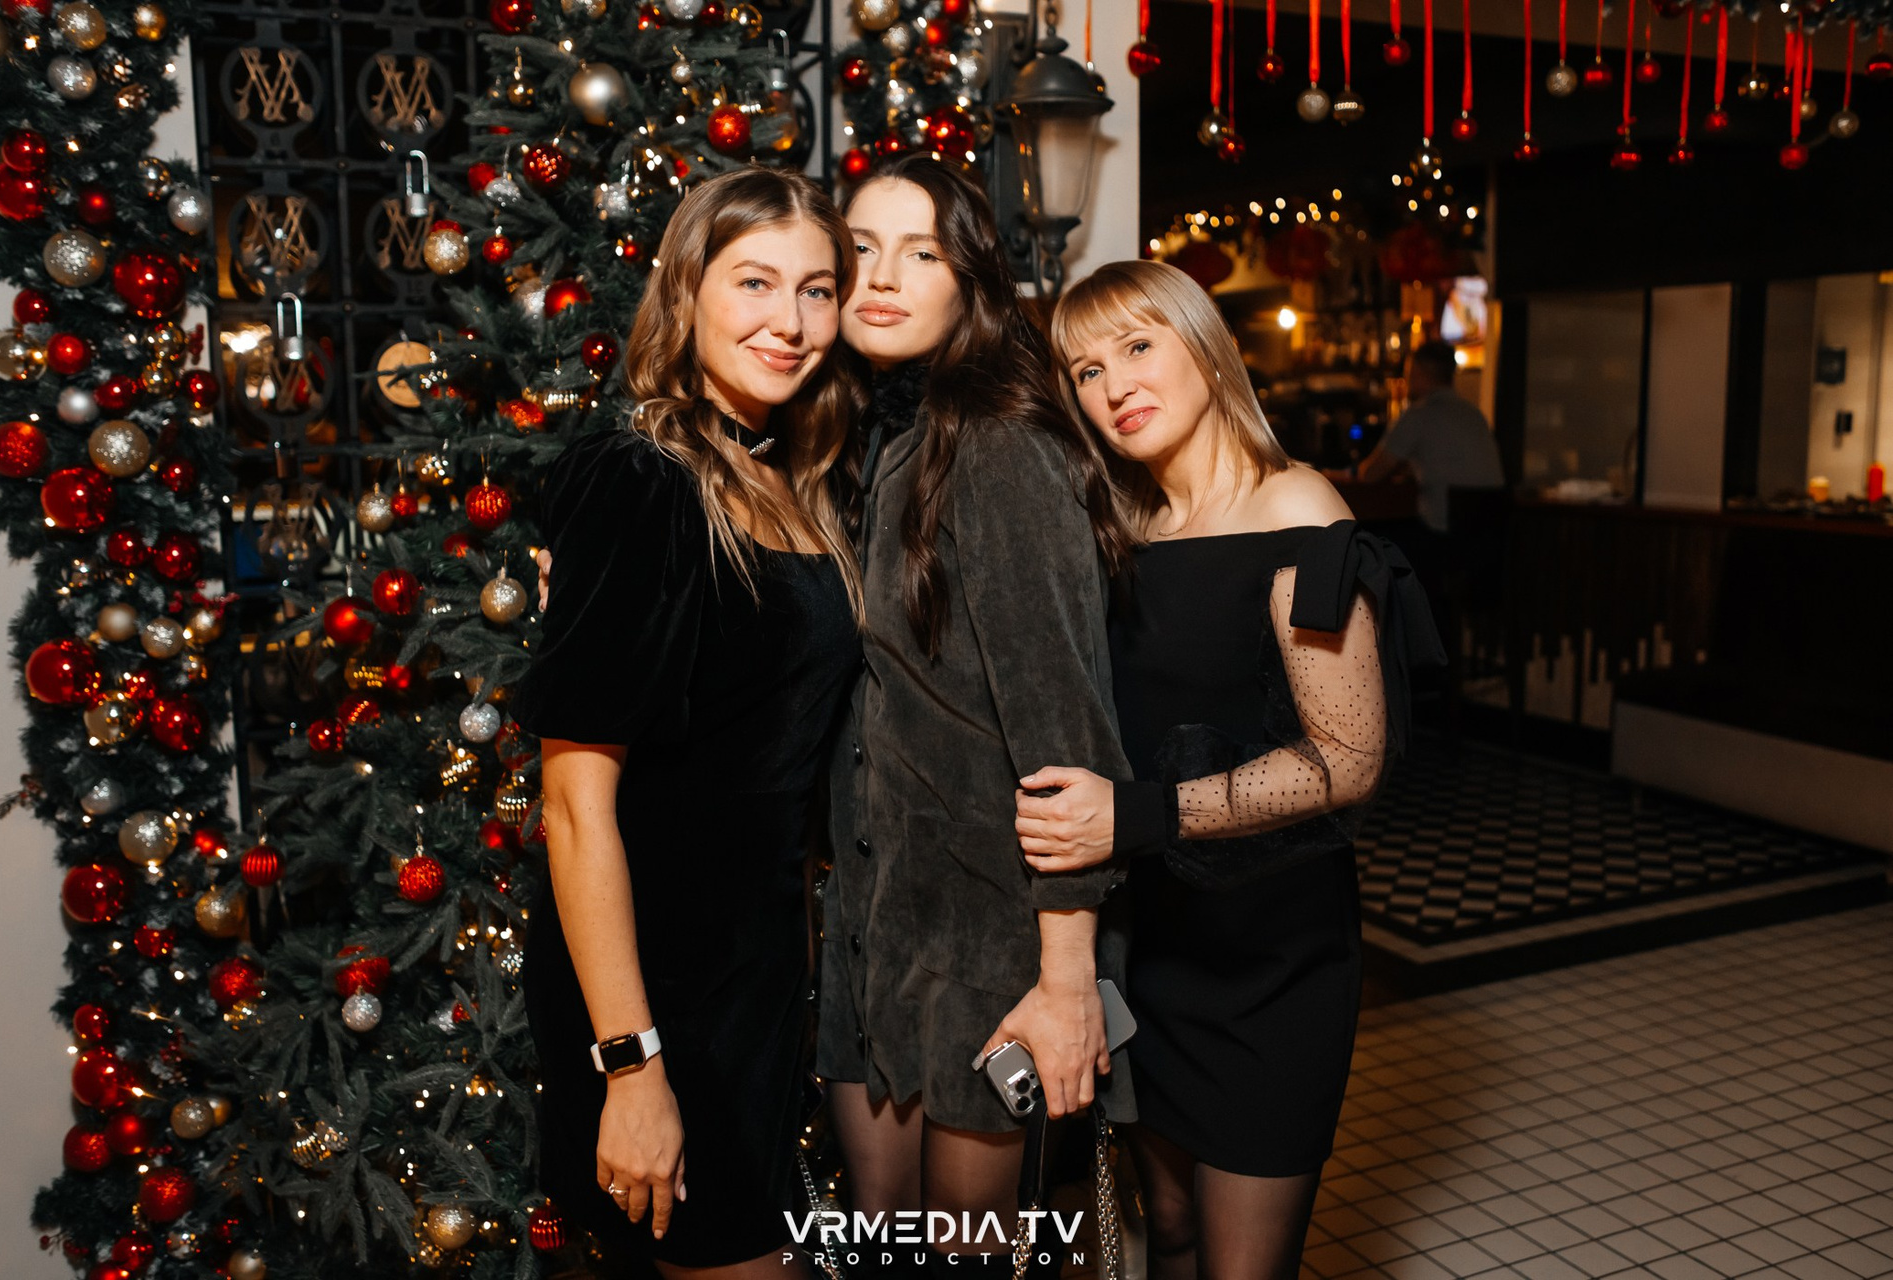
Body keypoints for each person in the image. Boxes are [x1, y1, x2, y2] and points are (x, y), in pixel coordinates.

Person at [1013, 261, 1443, 1280]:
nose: (1114, 385)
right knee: (1167, 1233)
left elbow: (1347, 758)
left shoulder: (1295, 503)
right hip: (1153, 946)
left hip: (1274, 955)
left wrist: (1136, 814)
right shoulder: (1118, 530)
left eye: (1137, 346)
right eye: (1086, 370)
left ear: (1206, 351)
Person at [510, 166, 865, 1277]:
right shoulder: (642, 477)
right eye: (754, 281)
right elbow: (575, 806)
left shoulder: (792, 473)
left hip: (753, 972)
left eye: (817, 289)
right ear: (688, 288)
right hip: (653, 986)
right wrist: (632, 1066)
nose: (789, 320)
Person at [815, 154, 1149, 1263]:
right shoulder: (871, 435)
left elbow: (1065, 732)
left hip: (989, 935)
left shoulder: (1001, 440)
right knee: (885, 1244)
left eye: (921, 253)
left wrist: (1066, 978)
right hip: (874, 920)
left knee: (967, 1254)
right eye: (861, 249)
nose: (881, 277)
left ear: (971, 281)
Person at [1356, 338, 1504, 533]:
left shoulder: (1419, 414)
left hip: (1442, 534)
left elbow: (1370, 474)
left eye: (1409, 373)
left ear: (1419, 372)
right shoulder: (1474, 413)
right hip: (1490, 534)